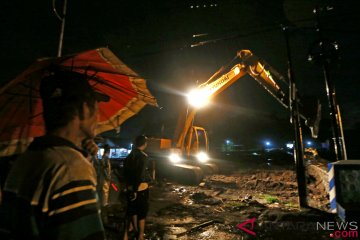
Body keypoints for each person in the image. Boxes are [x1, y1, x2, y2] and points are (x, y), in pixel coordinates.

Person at [2, 70, 109, 240]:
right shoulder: (70, 168)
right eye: (95, 108)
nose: (98, 117)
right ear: (83, 109)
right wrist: (79, 162)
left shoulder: (25, 158)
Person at [123, 135, 151, 240]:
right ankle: (140, 236)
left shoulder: (129, 156)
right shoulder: (143, 157)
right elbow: (139, 175)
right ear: (144, 144)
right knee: (142, 213)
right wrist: (135, 189)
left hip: (130, 187)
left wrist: (129, 186)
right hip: (140, 189)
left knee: (131, 211)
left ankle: (126, 235)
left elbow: (125, 173)